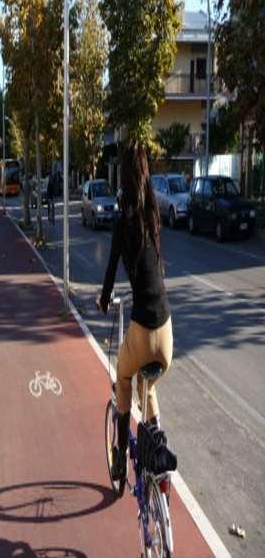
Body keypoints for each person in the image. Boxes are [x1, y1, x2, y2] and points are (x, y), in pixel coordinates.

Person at [97, 141, 173, 481]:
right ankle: (157, 456)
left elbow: (110, 275)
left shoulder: (122, 223)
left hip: (141, 330)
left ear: (123, 180)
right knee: (150, 385)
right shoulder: (153, 217)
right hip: (167, 334)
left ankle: (120, 457)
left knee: (123, 379)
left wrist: (103, 301)